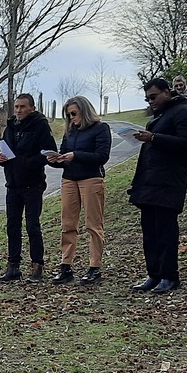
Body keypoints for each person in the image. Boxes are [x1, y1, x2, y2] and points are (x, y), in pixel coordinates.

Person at [127, 78, 187, 293]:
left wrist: (154, 138)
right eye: (147, 99)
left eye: (154, 96)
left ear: (167, 92)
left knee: (165, 231)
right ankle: (154, 274)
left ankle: (169, 276)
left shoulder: (183, 111)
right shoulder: (160, 115)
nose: (151, 101)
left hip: (168, 182)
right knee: (150, 232)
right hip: (150, 182)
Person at [48, 96, 112, 285]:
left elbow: (102, 156)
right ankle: (66, 265)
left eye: (74, 113)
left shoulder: (100, 128)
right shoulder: (70, 132)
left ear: (85, 111)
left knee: (93, 224)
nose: (71, 118)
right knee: (67, 224)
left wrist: (76, 156)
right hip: (69, 179)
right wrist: (55, 160)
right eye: (68, 115)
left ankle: (95, 266)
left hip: (91, 178)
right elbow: (64, 154)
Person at [0, 94, 56, 283]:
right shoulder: (10, 127)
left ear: (32, 108)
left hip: (33, 184)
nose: (19, 110)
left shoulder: (40, 126)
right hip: (12, 184)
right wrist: (0, 159)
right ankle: (13, 266)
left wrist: (25, 162)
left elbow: (49, 154)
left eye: (22, 107)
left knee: (32, 226)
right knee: (12, 226)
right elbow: (4, 152)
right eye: (16, 107)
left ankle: (37, 265)